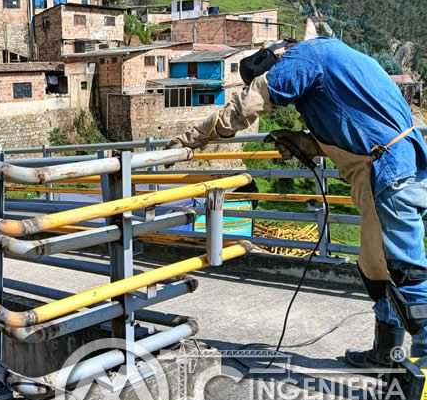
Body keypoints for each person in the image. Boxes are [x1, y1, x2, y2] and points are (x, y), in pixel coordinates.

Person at [165, 20, 427, 365]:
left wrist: (190, 139)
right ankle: (385, 355)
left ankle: (424, 368)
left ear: (278, 56)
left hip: (387, 172)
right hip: (399, 166)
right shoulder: (337, 56)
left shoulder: (302, 56)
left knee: (406, 272)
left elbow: (247, 106)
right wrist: (304, 142)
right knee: (376, 267)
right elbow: (353, 126)